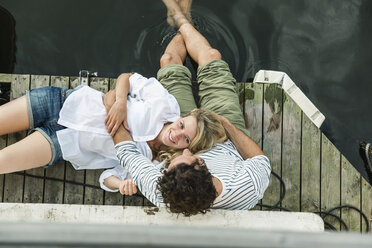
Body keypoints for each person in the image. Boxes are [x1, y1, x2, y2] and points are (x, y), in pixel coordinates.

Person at [107, 0, 271, 216]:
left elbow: (126, 150)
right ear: (204, 166)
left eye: (175, 161)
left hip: (182, 134)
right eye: (191, 156)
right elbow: (259, 159)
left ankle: (180, 18)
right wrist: (225, 123)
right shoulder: (247, 186)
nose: (187, 149)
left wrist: (114, 103)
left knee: (168, 61)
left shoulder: (160, 189)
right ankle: (183, 19)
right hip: (225, 139)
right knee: (212, 58)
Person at [0, 71, 226, 191]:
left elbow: (107, 177)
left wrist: (121, 185)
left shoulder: (156, 162)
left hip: (62, 144)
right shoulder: (165, 104)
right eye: (182, 125)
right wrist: (118, 102)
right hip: (62, 102)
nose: (177, 134)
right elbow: (127, 77)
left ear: (189, 146)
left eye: (185, 139)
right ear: (183, 117)